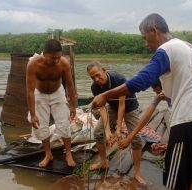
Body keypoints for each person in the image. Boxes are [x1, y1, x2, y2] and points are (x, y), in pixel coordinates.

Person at [91, 13, 192, 190]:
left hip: (188, 119)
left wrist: (105, 96)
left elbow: (141, 80)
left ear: (154, 31)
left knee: (176, 182)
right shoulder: (187, 47)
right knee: (191, 176)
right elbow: (152, 106)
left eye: (144, 38)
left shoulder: (166, 50)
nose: (145, 43)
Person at [87, 61, 146, 184]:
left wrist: (118, 129)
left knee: (136, 139)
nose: (96, 79)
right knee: (98, 132)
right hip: (112, 108)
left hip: (130, 107)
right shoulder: (95, 87)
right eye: (93, 77)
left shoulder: (119, 79)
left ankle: (137, 172)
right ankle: (103, 162)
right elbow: (102, 107)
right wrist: (108, 131)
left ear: (104, 70)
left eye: (98, 75)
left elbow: (122, 105)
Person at [26, 39, 77, 168]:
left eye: (58, 57)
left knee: (64, 124)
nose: (56, 60)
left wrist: (73, 105)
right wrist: (32, 115)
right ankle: (48, 154)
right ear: (44, 53)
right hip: (39, 94)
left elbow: (70, 85)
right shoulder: (33, 64)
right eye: (52, 58)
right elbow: (30, 91)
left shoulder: (63, 63)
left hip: (57, 93)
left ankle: (68, 153)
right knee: (41, 126)